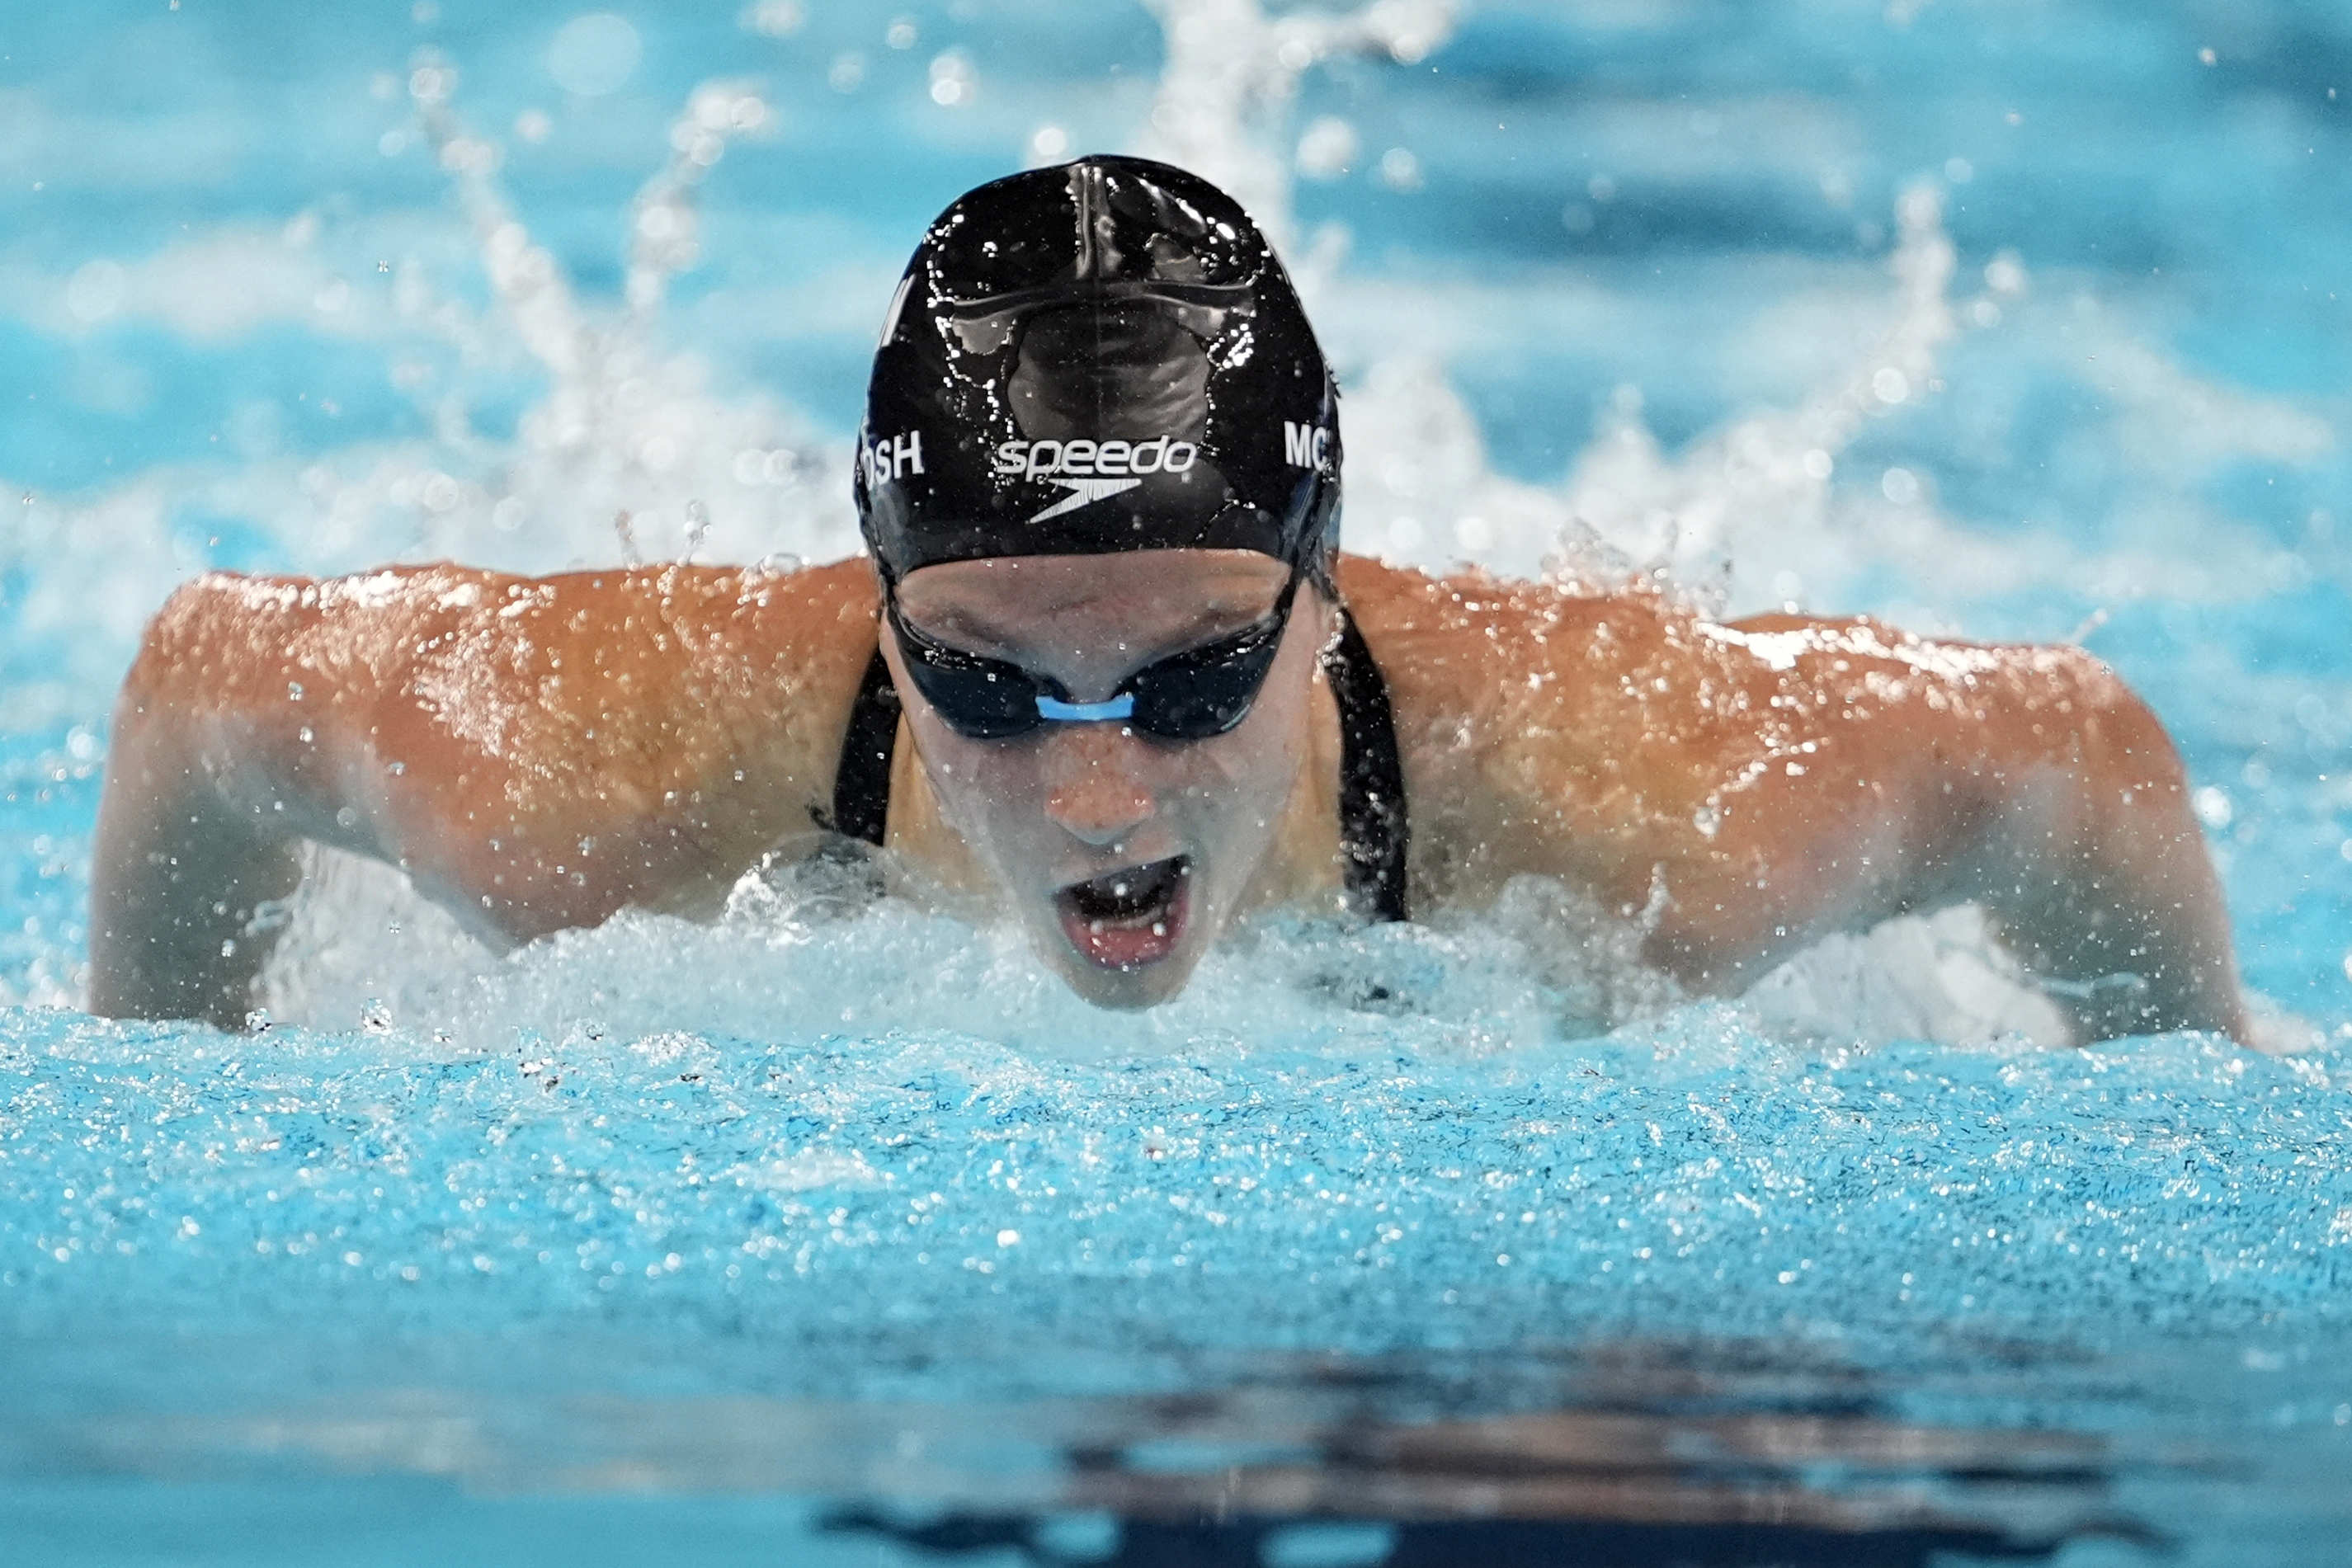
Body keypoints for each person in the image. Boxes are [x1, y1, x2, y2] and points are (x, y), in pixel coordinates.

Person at [87, 156, 2247, 1043]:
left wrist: (2191, 1074)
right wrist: (169, 1067)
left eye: (1197, 669)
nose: (1101, 777)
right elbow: (200, 683)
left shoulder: (1650, 811)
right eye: (990, 682)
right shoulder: (576, 788)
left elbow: (2063, 744)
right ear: (885, 609)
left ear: (1323, 600)